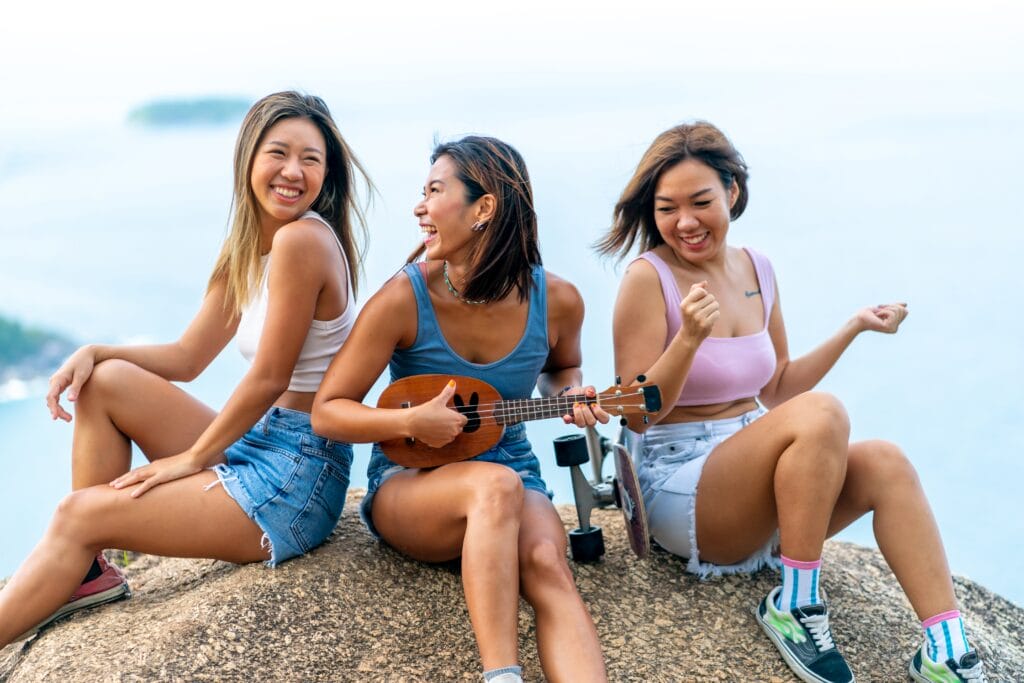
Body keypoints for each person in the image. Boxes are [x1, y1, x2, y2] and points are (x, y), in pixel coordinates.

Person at [596, 122, 987, 683]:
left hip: (756, 472)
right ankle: (795, 606)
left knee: (887, 463)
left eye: (701, 202)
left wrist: (853, 327)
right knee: (823, 413)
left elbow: (777, 387)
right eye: (667, 208)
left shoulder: (758, 269)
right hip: (683, 487)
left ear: (732, 192)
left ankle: (946, 650)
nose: (685, 222)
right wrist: (687, 340)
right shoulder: (647, 278)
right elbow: (637, 412)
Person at [0, 91, 370, 648]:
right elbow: (186, 359)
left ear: (326, 172)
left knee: (77, 514)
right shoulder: (252, 245)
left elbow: (270, 376)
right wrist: (97, 351)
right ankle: (87, 572)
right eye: (278, 153)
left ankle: (85, 542)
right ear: (249, 158)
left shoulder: (304, 241)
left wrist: (190, 461)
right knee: (105, 383)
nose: (293, 171)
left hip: (297, 477)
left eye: (310, 159)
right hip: (261, 442)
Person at [312, 136, 608, 683]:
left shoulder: (558, 300)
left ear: (484, 208)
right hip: (413, 483)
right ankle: (501, 677)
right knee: (492, 487)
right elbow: (328, 411)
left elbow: (562, 369)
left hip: (514, 474)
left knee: (547, 561)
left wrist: (569, 397)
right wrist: (408, 421)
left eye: (434, 191)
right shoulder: (405, 298)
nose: (419, 207)